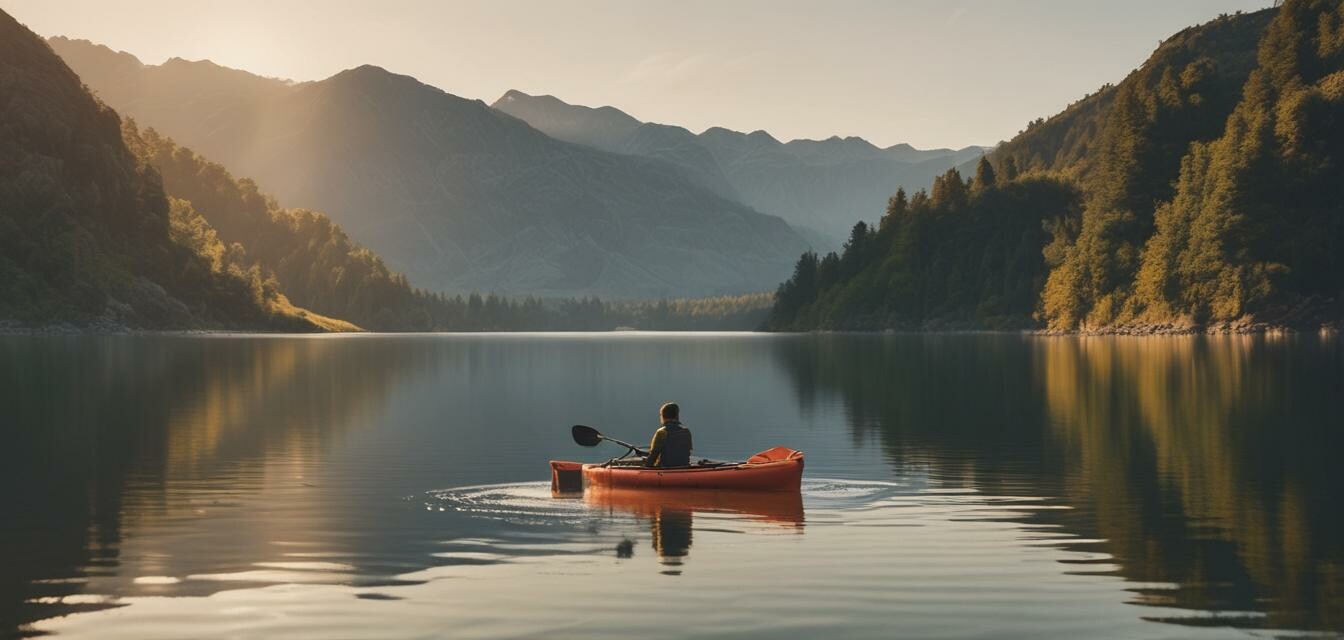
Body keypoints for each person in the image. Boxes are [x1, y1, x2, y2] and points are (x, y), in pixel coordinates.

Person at [645, 402, 692, 468]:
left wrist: (646, 467)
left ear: (662, 416)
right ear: (677, 415)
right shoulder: (686, 431)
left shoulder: (662, 432)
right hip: (683, 467)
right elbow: (688, 452)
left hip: (665, 469)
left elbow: (653, 455)